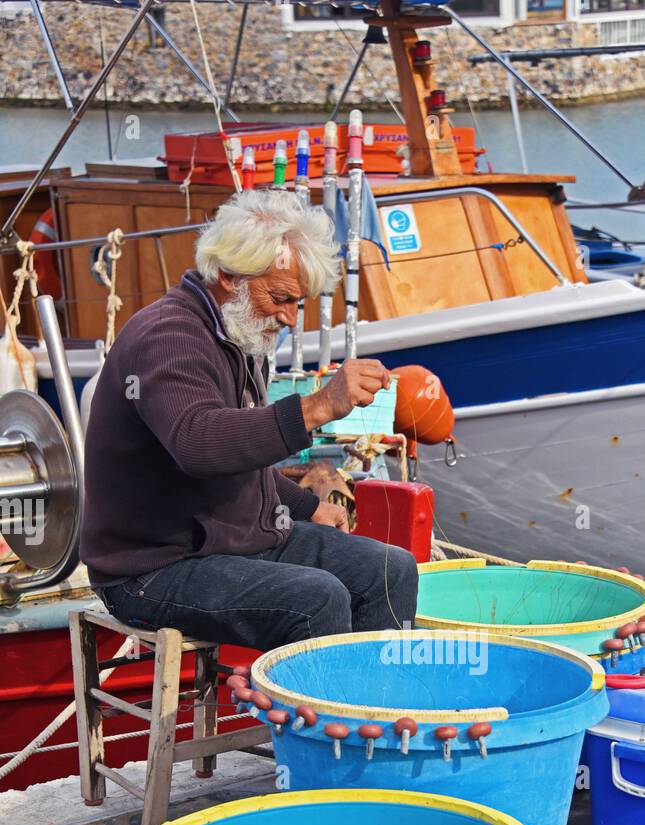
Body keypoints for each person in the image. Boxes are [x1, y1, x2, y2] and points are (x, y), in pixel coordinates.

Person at [80, 188, 418, 650]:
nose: (289, 318)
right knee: (316, 600)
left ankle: (376, 712)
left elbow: (242, 460)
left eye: (297, 303)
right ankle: (317, 722)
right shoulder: (169, 336)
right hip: (150, 567)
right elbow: (199, 444)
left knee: (389, 569)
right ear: (226, 275)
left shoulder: (238, 333)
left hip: (226, 541)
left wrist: (306, 507)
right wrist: (320, 405)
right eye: (280, 299)